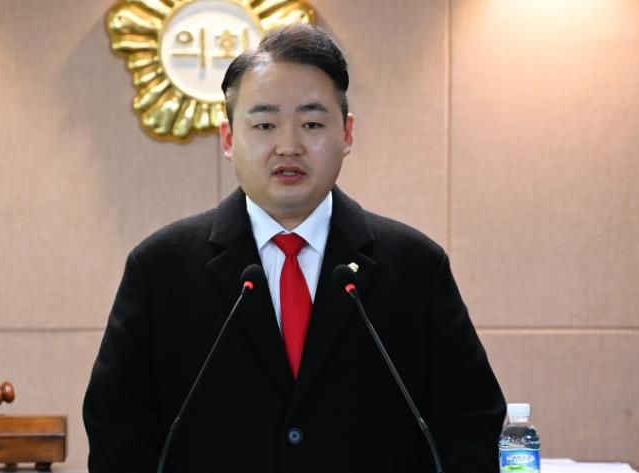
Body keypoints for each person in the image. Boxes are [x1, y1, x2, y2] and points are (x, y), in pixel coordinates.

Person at [83, 24, 505, 473]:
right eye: (264, 125)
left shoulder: (415, 268)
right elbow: (117, 433)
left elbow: (469, 427)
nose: (288, 146)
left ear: (347, 134)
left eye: (312, 124)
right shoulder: (161, 269)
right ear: (229, 138)